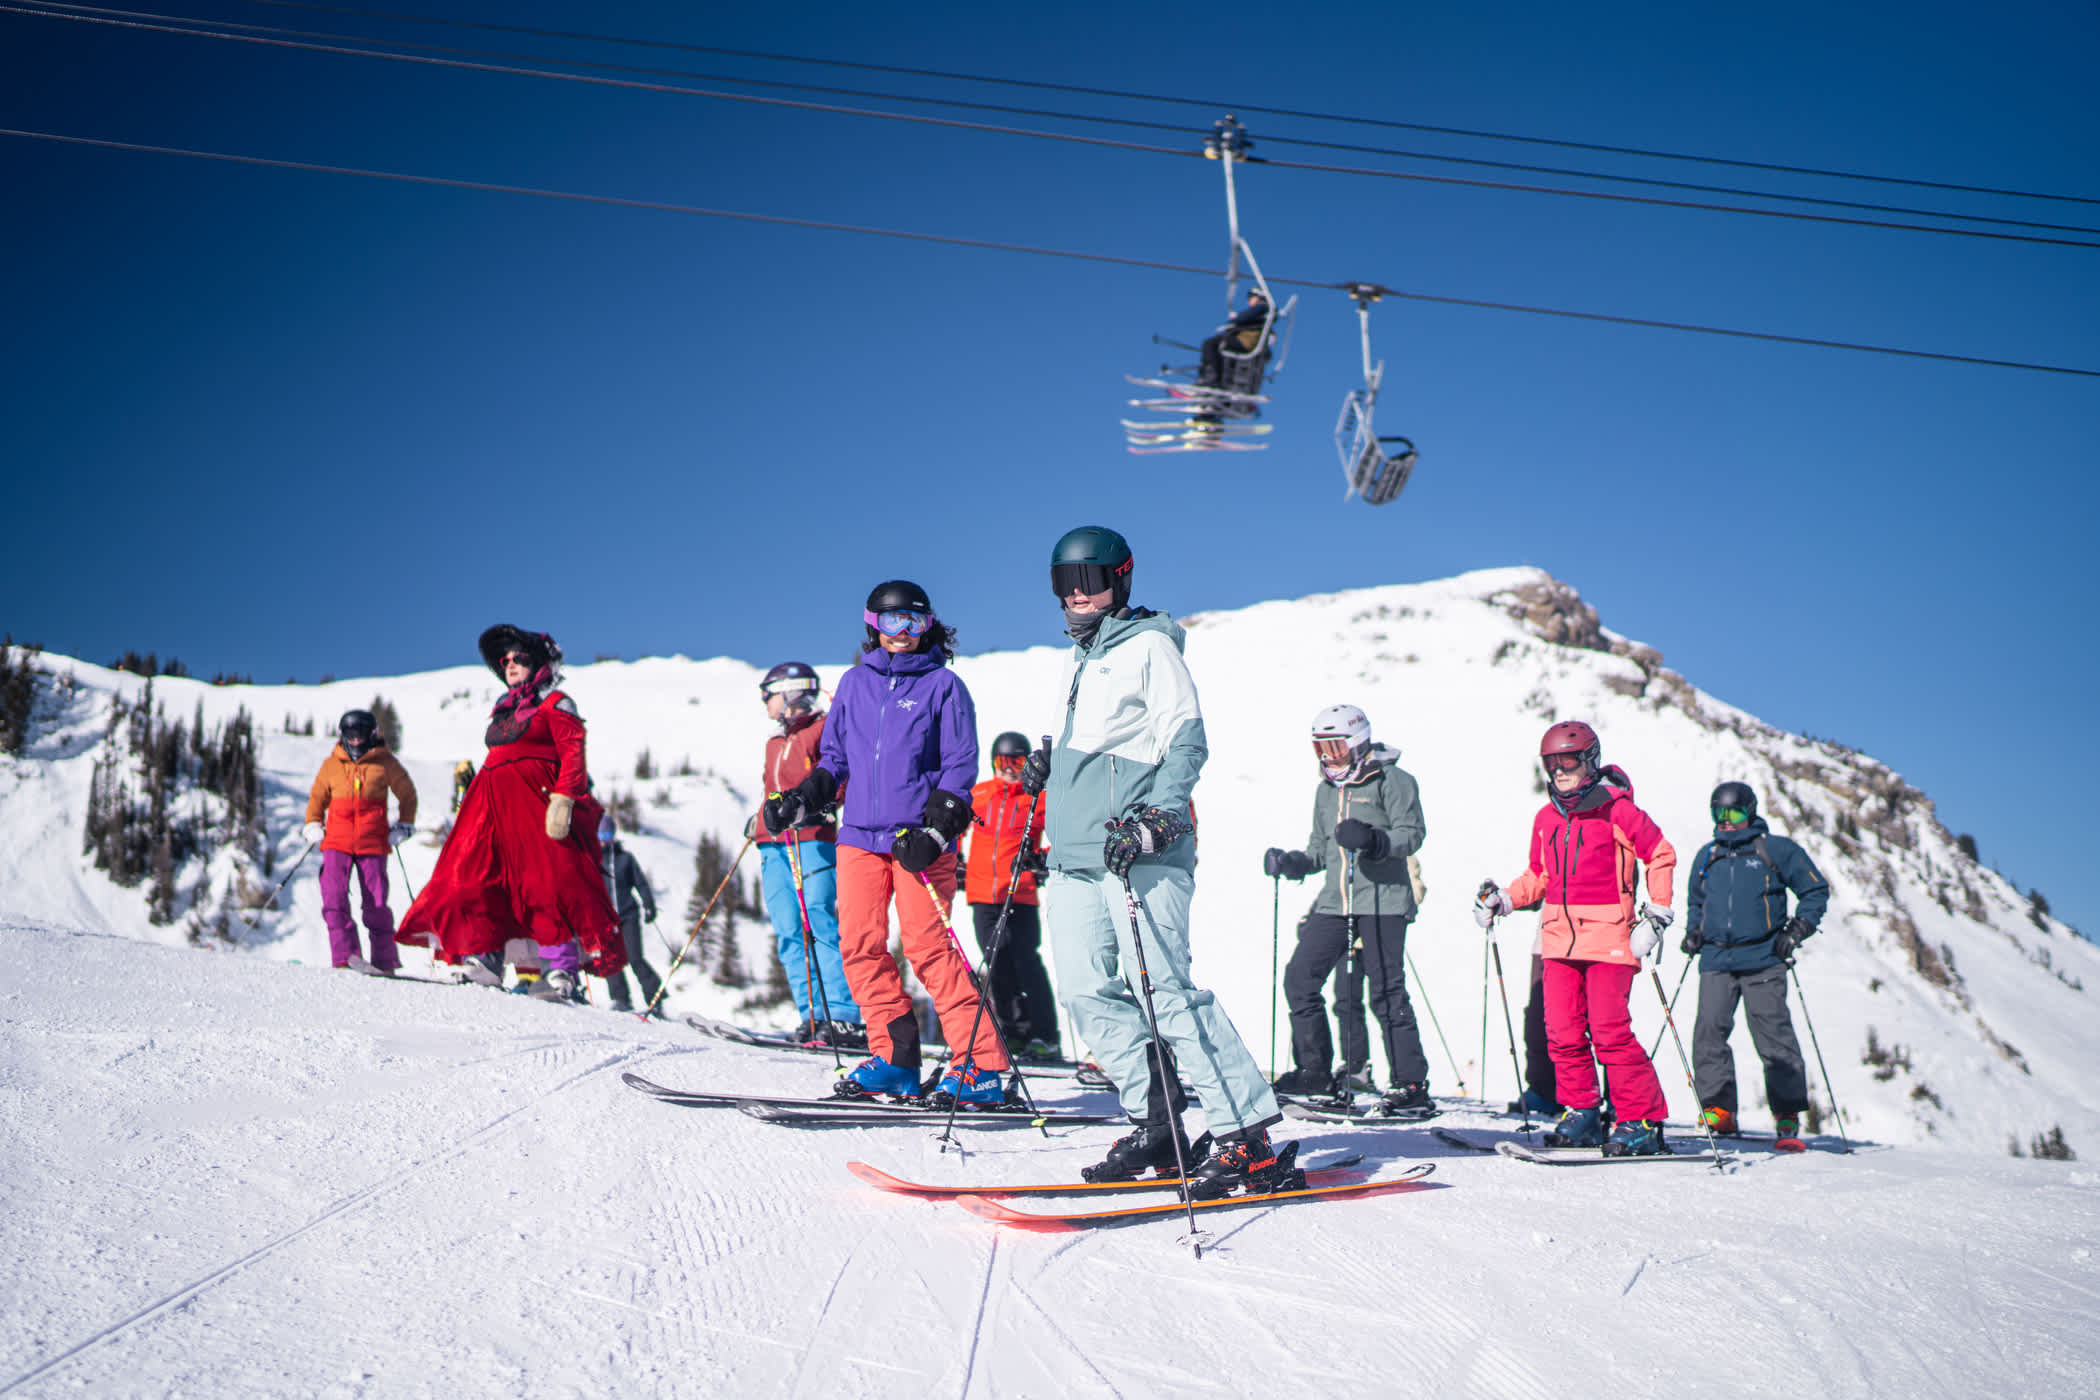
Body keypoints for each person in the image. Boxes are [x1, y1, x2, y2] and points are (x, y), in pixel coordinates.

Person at [1030, 525, 1290, 1195]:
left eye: (1090, 582)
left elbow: (1186, 741)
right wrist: (1050, 772)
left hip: (1137, 851)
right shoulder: (1076, 659)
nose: (1078, 596)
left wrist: (1160, 817)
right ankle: (1159, 1122)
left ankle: (1245, 1137)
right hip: (1076, 857)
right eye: (1066, 584)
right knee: (1088, 992)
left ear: (1120, 580)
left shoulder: (1149, 647)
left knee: (1168, 992)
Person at [763, 582, 1006, 1105]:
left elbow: (958, 769)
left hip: (916, 840)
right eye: (892, 623)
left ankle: (981, 1066)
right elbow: (835, 761)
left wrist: (937, 830)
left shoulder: (944, 686)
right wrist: (801, 799)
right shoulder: (854, 684)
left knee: (928, 948)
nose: (903, 634)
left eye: (914, 623)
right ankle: (895, 1059)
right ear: (873, 625)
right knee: (858, 945)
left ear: (928, 626)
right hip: (858, 838)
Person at [1475, 720, 1678, 1156]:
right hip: (1559, 942)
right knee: (1562, 1032)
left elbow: (1660, 853)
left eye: (1568, 760)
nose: (1559, 770)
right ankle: (1581, 1111)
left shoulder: (1618, 810)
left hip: (1609, 940)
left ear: (1590, 760)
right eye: (1551, 762)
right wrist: (1505, 900)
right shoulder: (1546, 817)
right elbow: (1540, 876)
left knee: (1609, 1032)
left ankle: (1640, 1119)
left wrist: (1656, 915)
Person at [398, 626, 624, 1001]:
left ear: (537, 661)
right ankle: (484, 960)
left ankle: (560, 972)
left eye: (518, 658)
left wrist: (564, 799)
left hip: (538, 805)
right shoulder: (504, 711)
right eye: (505, 661)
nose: (510, 665)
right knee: (474, 878)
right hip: (491, 810)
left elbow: (572, 753)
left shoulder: (556, 703)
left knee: (546, 884)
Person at [1262, 703, 1431, 1116]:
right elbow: (1321, 848)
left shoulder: (1394, 781)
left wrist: (1374, 841)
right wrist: (1297, 863)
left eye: (1335, 746)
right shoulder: (1326, 791)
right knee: (1300, 979)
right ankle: (1315, 1072)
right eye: (1320, 747)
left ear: (1357, 743)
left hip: (1382, 902)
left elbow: (1412, 834)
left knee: (1385, 993)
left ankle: (1410, 1083)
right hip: (1335, 902)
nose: (1327, 756)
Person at [1683, 780, 1830, 1145]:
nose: (1726, 820)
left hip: (1764, 956)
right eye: (1719, 813)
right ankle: (1719, 1110)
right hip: (1716, 957)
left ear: (1750, 811)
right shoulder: (1707, 856)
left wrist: (1796, 930)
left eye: (1733, 813)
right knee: (1709, 1031)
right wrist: (1694, 932)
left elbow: (1814, 890)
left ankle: (1787, 1115)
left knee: (1773, 1036)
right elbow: (1696, 902)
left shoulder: (1775, 850)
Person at [750, 661, 862, 1045]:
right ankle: (811, 1014)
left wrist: (818, 809)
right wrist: (759, 819)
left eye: (769, 693)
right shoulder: (774, 743)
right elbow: (771, 790)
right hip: (773, 845)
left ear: (789, 693)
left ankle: (844, 1014)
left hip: (812, 838)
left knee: (819, 921)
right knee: (788, 930)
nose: (765, 701)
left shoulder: (822, 729)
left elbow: (841, 778)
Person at [965, 731, 1058, 1059]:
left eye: (1016, 761)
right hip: (982, 895)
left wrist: (1042, 858)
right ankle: (1014, 1031)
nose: (1009, 768)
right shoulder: (979, 795)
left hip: (1020, 894)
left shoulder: (1037, 799)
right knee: (996, 964)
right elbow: (954, 824)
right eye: (1002, 761)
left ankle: (1045, 1035)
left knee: (1026, 963)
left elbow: (1061, 834)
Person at [303, 709, 418, 973]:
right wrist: (312, 822)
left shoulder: (385, 763)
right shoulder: (331, 765)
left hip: (373, 844)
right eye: (350, 736)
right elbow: (317, 797)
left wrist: (404, 825)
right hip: (336, 842)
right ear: (342, 735)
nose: (356, 742)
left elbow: (408, 794)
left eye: (361, 735)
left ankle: (385, 962)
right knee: (334, 900)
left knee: (376, 905)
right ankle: (345, 958)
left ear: (372, 734)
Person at [597, 816, 665, 1014]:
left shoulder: (625, 859)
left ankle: (656, 999)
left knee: (635, 958)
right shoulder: (595, 860)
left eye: (607, 834)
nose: (604, 839)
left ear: (614, 835)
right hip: (606, 919)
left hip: (628, 915)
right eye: (601, 834)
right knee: (611, 960)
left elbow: (640, 883)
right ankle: (620, 998)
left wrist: (649, 904)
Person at [1195, 287, 1274, 391]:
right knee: (1217, 348)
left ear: (1259, 297)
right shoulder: (1263, 313)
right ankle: (1214, 378)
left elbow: (1242, 318)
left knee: (1210, 344)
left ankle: (1212, 378)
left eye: (1251, 297)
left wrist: (1234, 319)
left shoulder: (1262, 308)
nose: (1249, 300)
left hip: (1245, 342)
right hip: (1247, 341)